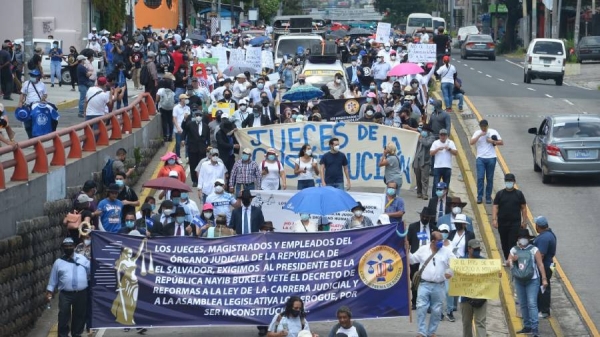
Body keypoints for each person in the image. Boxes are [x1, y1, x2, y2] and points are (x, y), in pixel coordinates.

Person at [410, 231, 455, 337]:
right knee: (421, 307)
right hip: (424, 284)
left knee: (436, 310)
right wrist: (406, 249)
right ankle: (421, 331)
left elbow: (455, 263)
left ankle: (431, 332)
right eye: (439, 240)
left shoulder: (447, 252)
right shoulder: (423, 249)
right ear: (433, 241)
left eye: (442, 240)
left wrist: (450, 272)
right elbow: (412, 260)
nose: (442, 242)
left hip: (439, 285)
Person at [46, 238, 90, 337]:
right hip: (65, 294)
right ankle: (63, 335)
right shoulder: (58, 262)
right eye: (66, 246)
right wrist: (49, 292)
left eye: (70, 246)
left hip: (81, 293)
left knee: (79, 315)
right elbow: (53, 279)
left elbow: (90, 272)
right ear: (63, 248)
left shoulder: (82, 259)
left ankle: (76, 334)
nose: (68, 248)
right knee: (63, 315)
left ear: (74, 246)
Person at [508, 229, 547, 337]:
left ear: (528, 239)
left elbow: (540, 265)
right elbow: (507, 262)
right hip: (519, 280)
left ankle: (534, 328)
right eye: (521, 237)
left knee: (532, 304)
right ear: (518, 239)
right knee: (523, 304)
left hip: (533, 280)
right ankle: (527, 326)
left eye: (525, 237)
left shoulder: (534, 250)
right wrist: (512, 260)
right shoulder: (514, 250)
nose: (523, 239)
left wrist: (544, 278)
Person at [406, 207, 438, 310]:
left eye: (427, 217)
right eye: (423, 216)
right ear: (420, 216)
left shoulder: (434, 228)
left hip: (428, 259)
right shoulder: (413, 227)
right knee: (415, 280)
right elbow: (408, 242)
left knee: (428, 282)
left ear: (430, 218)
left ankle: (428, 303)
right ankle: (414, 301)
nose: (424, 218)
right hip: (416, 258)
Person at [492, 173, 528, 262]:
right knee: (504, 243)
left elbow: (523, 208)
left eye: (510, 181)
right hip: (502, 223)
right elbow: (495, 206)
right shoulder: (500, 194)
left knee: (512, 242)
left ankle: (511, 259)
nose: (509, 183)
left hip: (515, 224)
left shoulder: (519, 194)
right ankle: (507, 259)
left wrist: (524, 221)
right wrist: (494, 219)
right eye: (507, 181)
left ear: (514, 182)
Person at [460, 239, 489, 337]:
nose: (477, 251)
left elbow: (492, 278)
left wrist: (498, 275)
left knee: (480, 323)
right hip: (466, 298)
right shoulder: (461, 261)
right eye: (475, 249)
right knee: (467, 323)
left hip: (481, 297)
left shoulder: (485, 262)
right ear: (469, 249)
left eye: (478, 249)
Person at [470, 119, 503, 204]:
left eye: (485, 127)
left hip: (491, 158)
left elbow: (501, 142)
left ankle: (488, 197)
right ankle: (479, 196)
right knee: (480, 178)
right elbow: (471, 142)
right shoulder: (477, 133)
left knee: (489, 178)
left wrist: (492, 141)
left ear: (487, 126)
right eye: (482, 127)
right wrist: (480, 135)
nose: (483, 128)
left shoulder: (493, 131)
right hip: (480, 158)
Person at [533, 216, 557, 319]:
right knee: (543, 287)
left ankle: (544, 311)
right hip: (550, 264)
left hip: (545, 266)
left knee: (543, 288)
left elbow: (541, 255)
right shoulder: (549, 234)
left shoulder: (543, 238)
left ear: (538, 226)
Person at [181, 110, 210, 187]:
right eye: (197, 115)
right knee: (193, 164)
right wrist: (183, 139)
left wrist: (208, 146)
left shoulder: (206, 126)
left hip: (202, 148)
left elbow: (208, 137)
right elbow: (184, 129)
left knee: (202, 164)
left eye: (200, 115)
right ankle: (194, 180)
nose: (198, 117)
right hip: (192, 148)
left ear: (202, 117)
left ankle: (201, 179)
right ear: (194, 116)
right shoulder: (190, 124)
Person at [429, 129, 457, 197]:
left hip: (447, 167)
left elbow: (456, 153)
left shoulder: (451, 142)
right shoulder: (435, 143)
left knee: (446, 185)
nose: (443, 136)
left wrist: (449, 149)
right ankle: (434, 199)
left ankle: (444, 199)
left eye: (444, 135)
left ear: (447, 136)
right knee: (436, 184)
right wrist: (438, 149)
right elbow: (431, 153)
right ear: (439, 135)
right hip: (437, 167)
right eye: (441, 135)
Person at [413, 125, 435, 200]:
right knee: (418, 177)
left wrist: (421, 139)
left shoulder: (431, 138)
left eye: (424, 130)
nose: (423, 132)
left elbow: (427, 144)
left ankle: (424, 193)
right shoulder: (419, 136)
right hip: (417, 160)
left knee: (424, 178)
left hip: (425, 161)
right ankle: (419, 192)